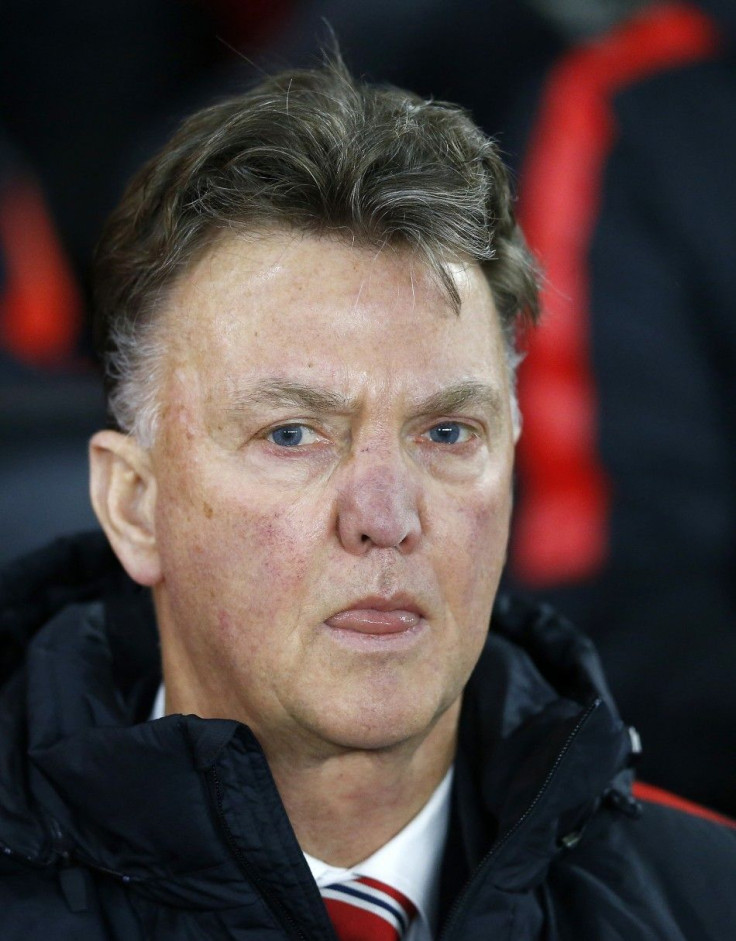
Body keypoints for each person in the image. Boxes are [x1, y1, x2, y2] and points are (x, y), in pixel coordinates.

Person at [0, 55, 734, 941]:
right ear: (133, 504)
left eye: (447, 433)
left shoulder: (709, 901)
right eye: (292, 435)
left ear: (511, 465)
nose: (385, 516)